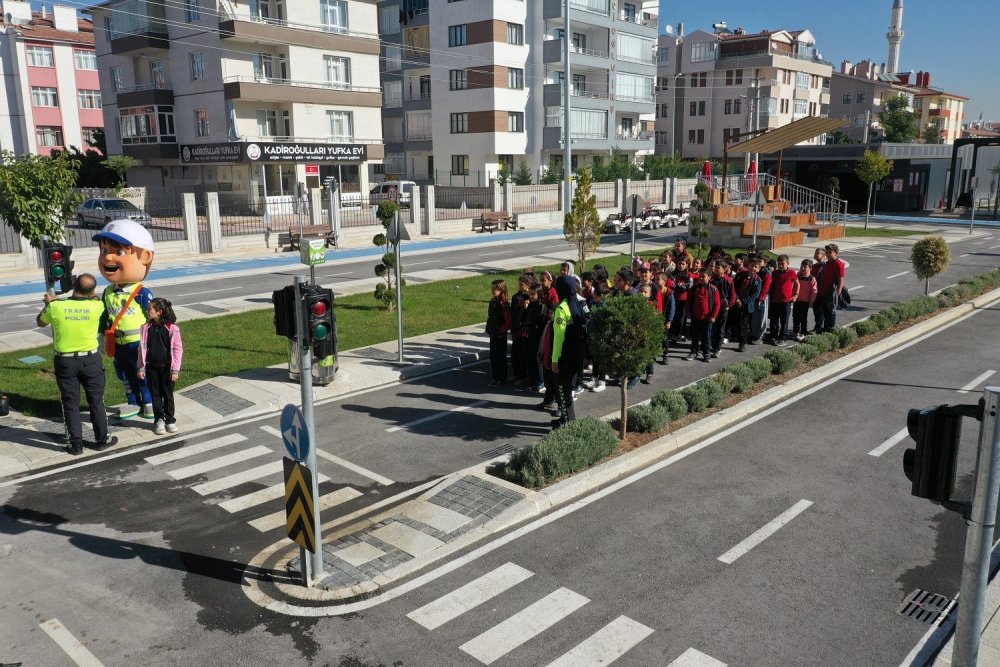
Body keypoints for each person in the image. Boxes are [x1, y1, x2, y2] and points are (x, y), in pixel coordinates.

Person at [36, 273, 117, 455]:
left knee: (70, 402)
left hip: (65, 361)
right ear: (92, 291)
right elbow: (97, 308)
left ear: (73, 285)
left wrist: (49, 303)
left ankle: (76, 444)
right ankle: (102, 440)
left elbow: (40, 322)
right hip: (90, 360)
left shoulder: (56, 306)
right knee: (96, 400)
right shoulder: (97, 306)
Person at [94, 220, 156, 420]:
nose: (108, 258)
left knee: (142, 373)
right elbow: (104, 315)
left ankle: (148, 402)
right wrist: (100, 334)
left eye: (118, 252)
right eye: (104, 251)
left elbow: (154, 318)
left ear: (145, 257)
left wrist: (155, 342)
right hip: (117, 344)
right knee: (123, 373)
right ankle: (132, 402)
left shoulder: (141, 293)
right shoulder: (108, 292)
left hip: (138, 343)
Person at [137, 298, 183, 435]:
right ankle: (159, 420)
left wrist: (175, 369)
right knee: (155, 395)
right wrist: (140, 367)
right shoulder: (145, 328)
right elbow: (141, 348)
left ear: (159, 312)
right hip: (151, 368)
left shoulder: (172, 328)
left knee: (167, 395)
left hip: (167, 369)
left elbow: (177, 349)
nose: (147, 311)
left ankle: (170, 420)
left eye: (149, 309)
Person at [550, 275, 587, 428]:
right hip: (578, 355)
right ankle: (564, 419)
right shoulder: (580, 303)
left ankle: (569, 424)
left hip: (564, 357)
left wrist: (554, 360)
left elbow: (559, 337)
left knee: (563, 393)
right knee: (568, 389)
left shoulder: (562, 308)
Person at [686, 269, 720, 362]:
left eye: (703, 276)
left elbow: (717, 304)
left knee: (707, 336)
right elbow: (689, 301)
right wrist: (688, 312)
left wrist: (713, 316)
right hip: (696, 316)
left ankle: (706, 353)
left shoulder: (713, 289)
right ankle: (693, 352)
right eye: (699, 276)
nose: (700, 278)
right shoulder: (694, 288)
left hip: (707, 318)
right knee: (695, 336)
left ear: (709, 277)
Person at [734, 257, 764, 352]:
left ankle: (742, 343)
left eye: (756, 267)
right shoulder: (740, 275)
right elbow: (733, 288)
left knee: (744, 324)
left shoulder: (758, 280)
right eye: (752, 266)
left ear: (758, 269)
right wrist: (737, 299)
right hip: (736, 302)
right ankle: (737, 336)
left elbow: (756, 293)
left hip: (747, 305)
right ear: (748, 266)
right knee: (736, 323)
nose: (753, 268)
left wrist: (745, 302)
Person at [767, 254, 799, 345]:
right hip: (775, 300)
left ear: (788, 263)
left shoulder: (792, 273)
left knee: (784, 320)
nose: (781, 265)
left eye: (783, 264)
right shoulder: (775, 273)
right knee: (774, 319)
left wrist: (795, 295)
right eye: (779, 263)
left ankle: (783, 337)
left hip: (786, 300)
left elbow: (797, 284)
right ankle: (773, 335)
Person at [485, 279, 511, 387]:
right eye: (492, 288)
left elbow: (508, 321)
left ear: (501, 290)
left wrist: (501, 330)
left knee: (500, 357)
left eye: (495, 289)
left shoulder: (503, 304)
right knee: (493, 356)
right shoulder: (492, 302)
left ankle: (502, 379)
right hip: (493, 333)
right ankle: (495, 377)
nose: (493, 290)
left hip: (500, 334)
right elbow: (490, 316)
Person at [510, 275, 533, 388]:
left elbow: (530, 315)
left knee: (523, 355)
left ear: (528, 286)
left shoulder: (530, 297)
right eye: (519, 284)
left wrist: (525, 306)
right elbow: (513, 313)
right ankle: (518, 374)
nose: (520, 286)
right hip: (516, 329)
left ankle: (524, 377)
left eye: (522, 284)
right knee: (515, 354)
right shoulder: (516, 297)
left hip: (525, 330)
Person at [816, 243, 846, 332]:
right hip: (823, 291)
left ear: (836, 252)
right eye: (827, 252)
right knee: (825, 311)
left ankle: (830, 329)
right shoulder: (827, 263)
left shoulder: (838, 264)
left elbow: (841, 279)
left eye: (830, 252)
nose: (828, 254)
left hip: (831, 292)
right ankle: (825, 328)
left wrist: (837, 292)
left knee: (830, 312)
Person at [710, 259, 735, 358]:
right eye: (715, 267)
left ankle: (717, 348)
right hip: (713, 307)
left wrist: (728, 304)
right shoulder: (712, 279)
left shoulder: (728, 280)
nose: (715, 269)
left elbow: (733, 295)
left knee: (720, 328)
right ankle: (711, 345)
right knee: (712, 327)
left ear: (724, 269)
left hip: (723, 308)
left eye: (718, 267)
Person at [793, 259, 818, 340]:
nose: (802, 268)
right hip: (797, 300)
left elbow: (814, 291)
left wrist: (811, 302)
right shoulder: (798, 275)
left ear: (810, 268)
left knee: (803, 318)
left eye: (805, 267)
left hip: (805, 302)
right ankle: (795, 331)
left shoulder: (811, 279)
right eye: (801, 266)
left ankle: (803, 332)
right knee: (795, 316)